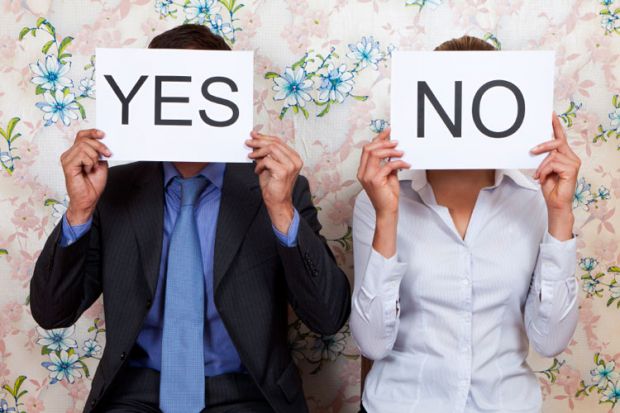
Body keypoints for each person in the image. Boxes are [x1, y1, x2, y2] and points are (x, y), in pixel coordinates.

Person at [30, 24, 351, 413]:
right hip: (136, 393)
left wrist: (281, 210)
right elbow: (52, 312)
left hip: (245, 392)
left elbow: (328, 317)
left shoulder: (278, 189)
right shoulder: (112, 190)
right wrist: (79, 210)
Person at [350, 36, 580, 413]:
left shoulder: (534, 201)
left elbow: (550, 340)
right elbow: (372, 343)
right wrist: (387, 216)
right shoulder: (377, 201)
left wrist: (560, 215)